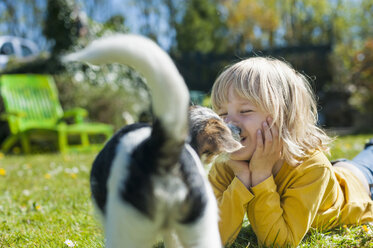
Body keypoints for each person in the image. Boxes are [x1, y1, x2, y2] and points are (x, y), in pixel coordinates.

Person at [207, 56, 373, 247]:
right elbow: (210, 236)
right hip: (339, 173)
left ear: (283, 118)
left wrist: (261, 175)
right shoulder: (226, 165)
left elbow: (280, 242)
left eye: (245, 111)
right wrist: (242, 179)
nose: (228, 124)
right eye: (222, 114)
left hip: (356, 190)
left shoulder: (312, 166)